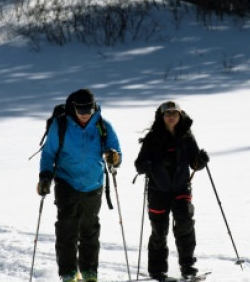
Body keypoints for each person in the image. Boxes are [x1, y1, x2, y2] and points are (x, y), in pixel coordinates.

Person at [38, 88, 122, 282]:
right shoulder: (60, 126)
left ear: (94, 108)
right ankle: (68, 273)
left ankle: (89, 272)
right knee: (67, 228)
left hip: (93, 184)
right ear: (73, 108)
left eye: (88, 110)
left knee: (89, 229)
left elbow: (117, 153)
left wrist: (114, 157)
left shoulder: (103, 126)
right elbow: (48, 154)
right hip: (66, 181)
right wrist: (44, 177)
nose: (84, 115)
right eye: (80, 110)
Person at [134, 101, 210, 281]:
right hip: (157, 191)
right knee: (159, 230)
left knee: (185, 224)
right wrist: (146, 165)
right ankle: (157, 271)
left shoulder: (186, 137)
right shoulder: (153, 138)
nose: (171, 117)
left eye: (174, 114)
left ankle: (188, 267)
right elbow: (139, 164)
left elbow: (194, 163)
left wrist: (201, 161)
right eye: (167, 114)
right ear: (161, 117)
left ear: (180, 116)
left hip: (181, 188)